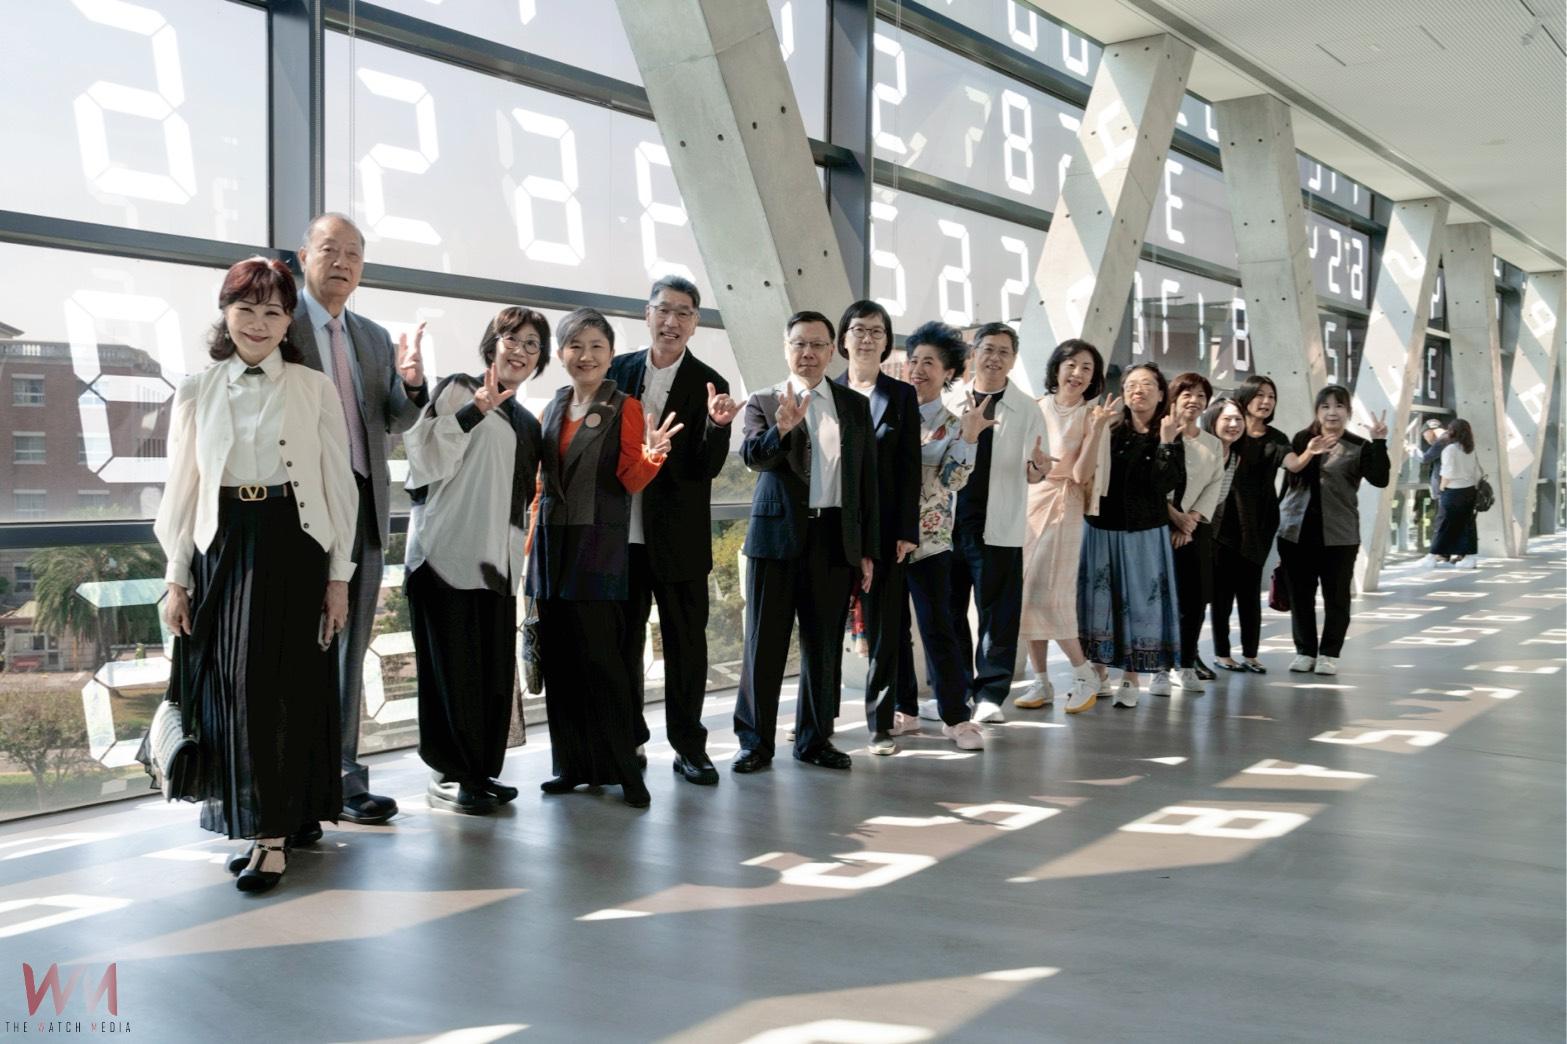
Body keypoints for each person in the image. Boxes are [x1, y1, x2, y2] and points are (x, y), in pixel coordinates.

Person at [155, 257, 358, 893]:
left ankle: (274, 834)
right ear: (225, 313)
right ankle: (266, 819)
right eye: (246, 308)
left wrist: (339, 576)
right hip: (222, 545)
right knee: (235, 690)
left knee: (289, 687)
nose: (258, 323)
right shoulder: (197, 389)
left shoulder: (313, 387)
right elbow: (182, 489)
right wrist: (176, 577)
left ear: (289, 321)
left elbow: (338, 485)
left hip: (295, 543)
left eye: (273, 311)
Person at [288, 213, 426, 828]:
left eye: (353, 253)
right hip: (299, 510)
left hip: (365, 508)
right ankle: (293, 784)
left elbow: (394, 419)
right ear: (304, 256)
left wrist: (412, 385)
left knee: (349, 649)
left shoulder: (371, 337)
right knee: (297, 648)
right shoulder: (280, 324)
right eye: (329, 250)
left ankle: (342, 778)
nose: (342, 262)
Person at [527, 309, 680, 808]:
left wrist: (653, 455)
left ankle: (625, 771)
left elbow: (630, 480)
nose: (585, 355)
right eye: (575, 346)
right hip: (551, 549)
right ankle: (572, 766)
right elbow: (542, 486)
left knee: (604, 663)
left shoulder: (625, 407)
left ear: (611, 355)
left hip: (598, 548)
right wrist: (528, 549)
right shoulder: (552, 407)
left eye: (596, 346)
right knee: (561, 663)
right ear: (560, 354)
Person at [402, 308, 546, 815]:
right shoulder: (459, 389)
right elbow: (421, 460)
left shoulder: (527, 423)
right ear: (492, 344)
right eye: (512, 339)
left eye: (532, 344)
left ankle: (481, 771)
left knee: (488, 674)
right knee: (452, 672)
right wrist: (473, 411)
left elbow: (523, 498)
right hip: (444, 556)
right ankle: (453, 773)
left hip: (496, 566)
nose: (520, 350)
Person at [733, 311, 878, 774]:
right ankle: (754, 743)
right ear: (786, 348)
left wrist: (866, 548)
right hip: (775, 540)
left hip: (833, 539)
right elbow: (753, 458)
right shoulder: (763, 400)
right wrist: (782, 428)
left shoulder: (852, 406)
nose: (808, 353)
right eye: (799, 344)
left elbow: (864, 481)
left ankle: (815, 739)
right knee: (764, 645)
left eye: (818, 344)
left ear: (832, 351)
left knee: (824, 646)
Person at [607, 277, 738, 787]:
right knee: (623, 646)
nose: (672, 321)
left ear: (695, 323)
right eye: (664, 310)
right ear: (647, 314)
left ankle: (689, 747)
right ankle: (628, 740)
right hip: (620, 538)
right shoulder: (616, 372)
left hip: (679, 540)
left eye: (684, 313)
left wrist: (718, 427)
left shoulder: (710, 382)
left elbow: (706, 467)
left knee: (686, 648)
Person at [945, 323, 1050, 724]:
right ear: (973, 354)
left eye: (1004, 352)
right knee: (948, 612)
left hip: (998, 525)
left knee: (998, 616)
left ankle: (990, 694)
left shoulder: (1027, 408)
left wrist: (1038, 470)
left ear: (1013, 359)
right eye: (988, 349)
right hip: (947, 526)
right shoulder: (950, 399)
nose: (995, 358)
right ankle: (955, 692)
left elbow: (1036, 470)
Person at [833, 301, 921, 755]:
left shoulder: (901, 396)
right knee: (825, 622)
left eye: (876, 331)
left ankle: (881, 724)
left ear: (887, 342)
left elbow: (909, 467)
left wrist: (907, 529)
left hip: (886, 528)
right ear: (843, 338)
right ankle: (818, 715)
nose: (867, 339)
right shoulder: (826, 391)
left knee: (886, 627)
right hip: (834, 526)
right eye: (859, 330)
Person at [1017, 339, 1118, 714]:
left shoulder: (1093, 416)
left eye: (1086, 368)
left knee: (1050, 594)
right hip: (1031, 502)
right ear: (1056, 368)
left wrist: (1097, 430)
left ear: (1094, 378)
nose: (1077, 373)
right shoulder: (1035, 407)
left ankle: (1083, 674)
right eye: (1071, 364)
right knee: (1026, 593)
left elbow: (1080, 474)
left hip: (1065, 505)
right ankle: (1041, 681)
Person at [898, 322, 985, 749]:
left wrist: (969, 436)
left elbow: (953, 481)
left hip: (930, 541)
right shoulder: (887, 414)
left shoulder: (955, 424)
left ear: (948, 371)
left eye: (929, 362)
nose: (918, 369)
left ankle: (956, 718)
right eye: (914, 360)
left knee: (939, 628)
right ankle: (904, 710)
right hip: (886, 539)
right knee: (893, 630)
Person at [1077, 362, 1184, 706]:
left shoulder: (1169, 432)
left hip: (1143, 532)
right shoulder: (1110, 427)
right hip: (1101, 528)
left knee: (1140, 603)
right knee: (1098, 602)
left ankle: (1131, 677)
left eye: (1147, 384)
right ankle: (1098, 673)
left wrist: (1166, 443)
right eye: (1131, 384)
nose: (1138, 390)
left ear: (1161, 393)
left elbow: (1165, 485)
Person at [1277, 384, 1391, 676]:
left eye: (1339, 406)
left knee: (1337, 598)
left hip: (1339, 534)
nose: (1332, 412)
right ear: (1317, 411)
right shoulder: (1302, 439)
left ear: (1348, 412)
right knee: (1300, 596)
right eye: (1325, 406)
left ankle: (1329, 653)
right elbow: (1289, 481)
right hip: (1296, 531)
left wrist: (1379, 442)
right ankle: (1305, 651)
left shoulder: (1358, 445)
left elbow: (1380, 479)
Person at [1210, 375, 1291, 674]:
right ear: (1245, 398)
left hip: (1259, 523)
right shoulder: (1231, 432)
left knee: (1249, 591)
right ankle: (1222, 653)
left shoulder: (1276, 437)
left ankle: (1251, 654)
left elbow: (1293, 464)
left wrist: (1311, 451)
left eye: (1271, 396)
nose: (1266, 401)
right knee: (1221, 593)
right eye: (1260, 395)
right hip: (1224, 521)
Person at [1151, 372, 1224, 698]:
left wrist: (1190, 521)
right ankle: (1159, 668)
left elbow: (1214, 485)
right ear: (1173, 398)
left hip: (1195, 530)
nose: (1194, 401)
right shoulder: (1160, 433)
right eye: (1187, 394)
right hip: (1159, 526)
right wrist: (1175, 518)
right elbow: (1151, 482)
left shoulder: (1212, 444)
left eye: (1201, 395)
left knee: (1195, 600)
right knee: (1161, 600)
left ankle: (1186, 663)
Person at [1430, 417, 1480, 568]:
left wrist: (1442, 488)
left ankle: (1433, 556)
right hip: (1469, 490)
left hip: (1453, 491)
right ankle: (1469, 558)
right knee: (1467, 525)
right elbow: (1476, 471)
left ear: (1452, 432)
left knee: (1443, 524)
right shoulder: (1469, 449)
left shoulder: (1450, 449)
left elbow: (1448, 473)